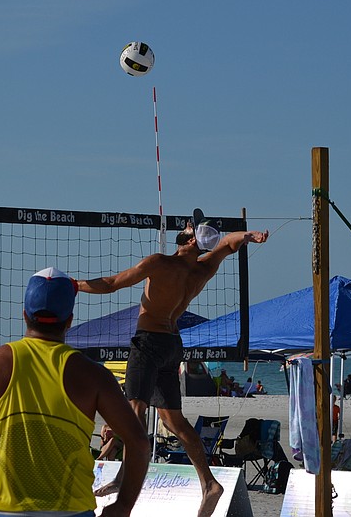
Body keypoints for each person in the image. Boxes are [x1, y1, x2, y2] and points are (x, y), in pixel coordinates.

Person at [0, 267, 149, 517]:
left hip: (6, 511)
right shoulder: (94, 375)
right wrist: (123, 506)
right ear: (69, 321)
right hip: (72, 510)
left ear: (24, 315)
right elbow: (139, 443)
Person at [77, 215, 269, 517]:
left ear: (191, 239)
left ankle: (125, 478)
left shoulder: (160, 262)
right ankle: (209, 484)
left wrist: (76, 285)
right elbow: (229, 243)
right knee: (173, 422)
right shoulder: (205, 267)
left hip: (149, 342)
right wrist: (249, 235)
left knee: (135, 410)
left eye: (189, 227)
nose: (184, 228)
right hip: (172, 345)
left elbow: (112, 284)